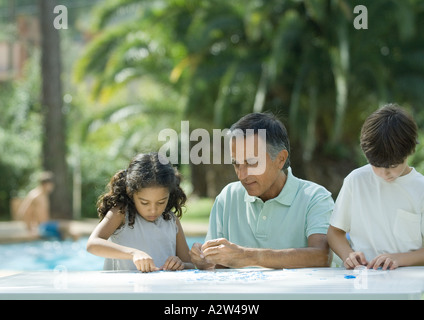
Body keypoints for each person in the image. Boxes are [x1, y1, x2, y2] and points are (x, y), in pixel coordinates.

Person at [189, 112, 335, 269]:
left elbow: (322, 256)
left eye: (252, 162)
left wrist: (247, 256)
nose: (242, 175)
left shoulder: (315, 198)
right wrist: (204, 260)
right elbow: (218, 266)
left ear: (280, 159)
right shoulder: (228, 197)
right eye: (236, 164)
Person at [328, 104, 424, 270]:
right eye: (376, 165)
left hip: (407, 285)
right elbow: (335, 232)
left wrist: (399, 259)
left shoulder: (419, 188)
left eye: (393, 166)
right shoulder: (356, 181)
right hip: (363, 280)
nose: (384, 173)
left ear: (409, 151)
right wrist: (348, 255)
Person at [86, 152, 194, 272]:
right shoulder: (121, 213)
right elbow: (92, 244)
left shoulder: (171, 220)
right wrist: (133, 253)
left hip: (162, 289)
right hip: (125, 289)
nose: (153, 210)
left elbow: (189, 264)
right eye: (144, 203)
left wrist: (180, 264)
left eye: (161, 202)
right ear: (131, 193)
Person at [17, 171, 75, 240]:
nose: (52, 187)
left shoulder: (44, 195)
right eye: (51, 184)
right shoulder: (35, 195)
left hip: (46, 225)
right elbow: (23, 212)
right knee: (71, 229)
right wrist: (29, 229)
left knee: (65, 235)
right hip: (42, 226)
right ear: (45, 184)